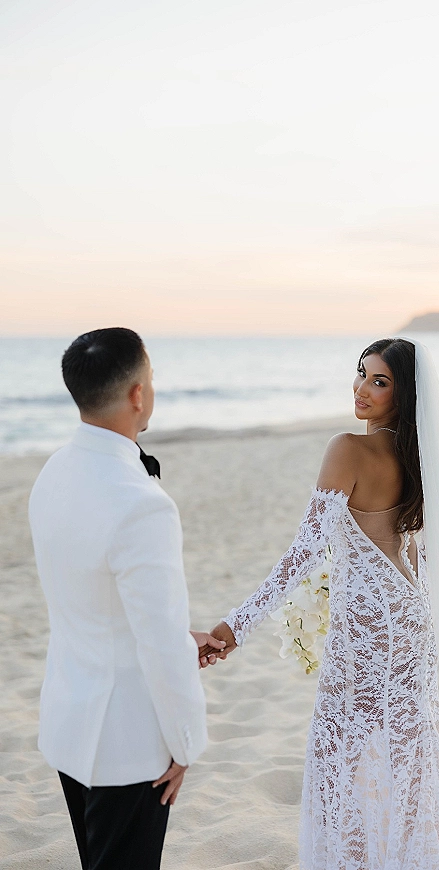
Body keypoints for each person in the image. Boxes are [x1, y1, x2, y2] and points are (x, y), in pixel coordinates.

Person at [208, 338, 439, 870]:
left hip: (369, 626)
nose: (362, 389)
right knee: (410, 754)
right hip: (410, 613)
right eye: (361, 374)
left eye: (380, 381)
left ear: (405, 395)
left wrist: (233, 626)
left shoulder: (348, 448)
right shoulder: (419, 456)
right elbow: (416, 550)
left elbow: (303, 554)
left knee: (343, 755)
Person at [29, 328, 224, 870]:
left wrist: (182, 639)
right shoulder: (142, 503)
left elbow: (88, 598)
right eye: (152, 379)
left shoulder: (52, 472)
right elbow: (160, 646)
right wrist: (185, 746)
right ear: (138, 393)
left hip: (68, 724)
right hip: (126, 747)